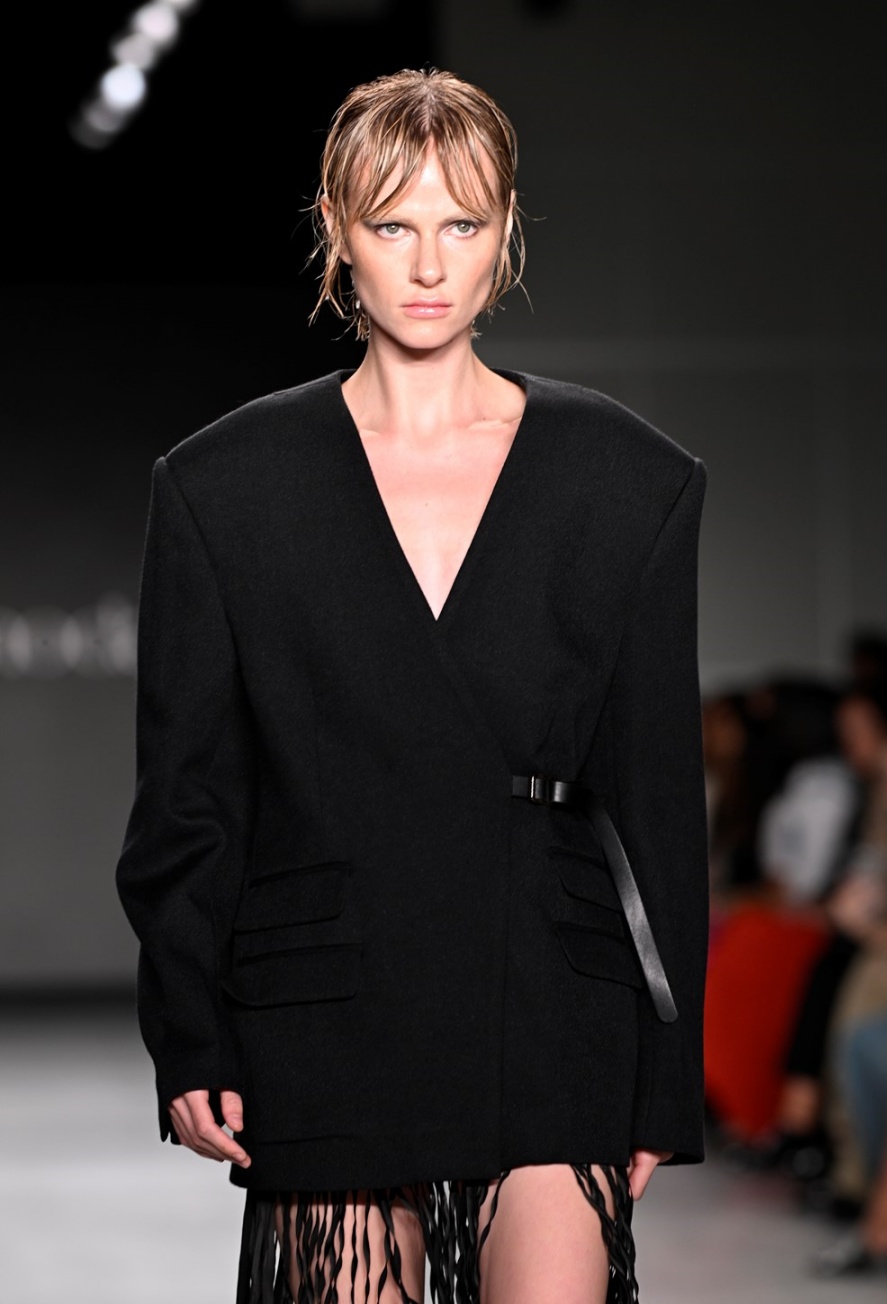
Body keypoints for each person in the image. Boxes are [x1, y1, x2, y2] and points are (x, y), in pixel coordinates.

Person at [116, 68, 709, 1304]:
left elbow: (656, 797)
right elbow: (188, 797)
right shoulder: (226, 485)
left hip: (548, 992)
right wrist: (188, 1026)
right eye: (393, 224)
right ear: (336, 230)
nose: (430, 264)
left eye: (462, 222)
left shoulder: (626, 477)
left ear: (507, 232)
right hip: (327, 992)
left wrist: (667, 1074)